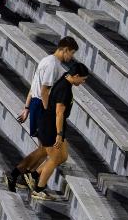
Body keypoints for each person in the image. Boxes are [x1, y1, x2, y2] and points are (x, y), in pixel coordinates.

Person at [15, 61, 89, 202]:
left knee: (63, 156)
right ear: (77, 76)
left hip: (51, 124)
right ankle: (39, 189)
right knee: (55, 158)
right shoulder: (65, 90)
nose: (83, 82)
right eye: (83, 79)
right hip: (51, 127)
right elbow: (59, 113)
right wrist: (59, 135)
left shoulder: (65, 79)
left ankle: (35, 176)